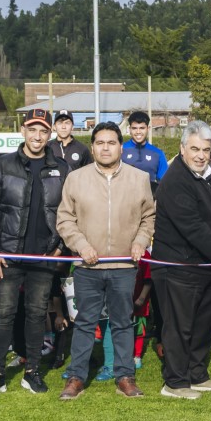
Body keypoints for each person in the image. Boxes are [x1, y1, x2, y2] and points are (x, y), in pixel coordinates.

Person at [55, 120, 156, 400]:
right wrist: (81, 246)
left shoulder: (139, 178)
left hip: (124, 267)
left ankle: (125, 376)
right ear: (92, 147)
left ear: (121, 147)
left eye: (111, 143)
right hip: (88, 266)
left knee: (123, 322)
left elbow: (148, 218)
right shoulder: (76, 179)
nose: (106, 148)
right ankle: (76, 376)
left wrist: (140, 241)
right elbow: (65, 219)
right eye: (100, 143)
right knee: (85, 322)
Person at [0, 107, 67, 397]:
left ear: (50, 134)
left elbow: (68, 212)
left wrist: (60, 247)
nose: (37, 136)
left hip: (44, 256)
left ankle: (32, 372)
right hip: (8, 256)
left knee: (37, 314)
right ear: (23, 130)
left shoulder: (62, 169)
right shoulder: (2, 165)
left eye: (43, 131)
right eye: (32, 129)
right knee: (3, 314)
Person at [151, 121, 211, 398]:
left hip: (207, 265)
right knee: (179, 327)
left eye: (206, 150)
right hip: (179, 266)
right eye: (195, 149)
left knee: (203, 324)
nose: (201, 155)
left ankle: (197, 374)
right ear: (182, 148)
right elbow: (192, 227)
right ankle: (175, 382)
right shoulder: (175, 179)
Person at [121, 110, 168, 186]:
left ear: (148, 129)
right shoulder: (120, 150)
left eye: (142, 128)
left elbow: (165, 183)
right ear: (129, 129)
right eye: (134, 128)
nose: (138, 132)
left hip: (149, 193)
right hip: (125, 193)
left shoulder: (158, 154)